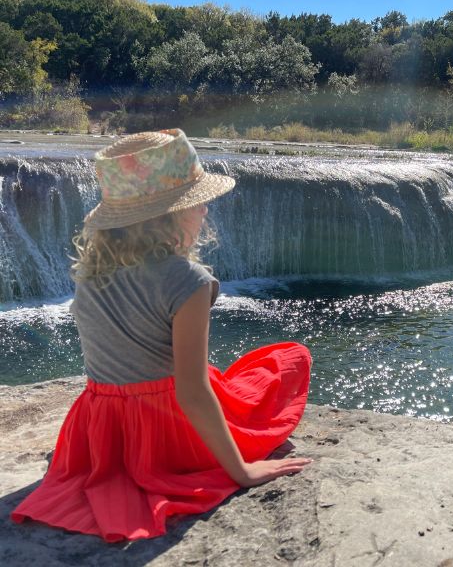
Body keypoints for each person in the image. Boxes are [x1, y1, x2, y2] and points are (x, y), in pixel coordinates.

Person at [12, 129, 312, 541]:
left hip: (98, 429)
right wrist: (241, 471)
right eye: (197, 201)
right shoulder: (189, 281)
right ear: (168, 214)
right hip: (163, 431)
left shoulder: (90, 272)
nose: (205, 210)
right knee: (289, 359)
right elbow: (191, 392)